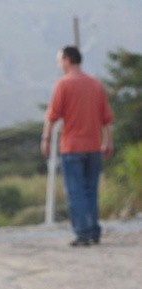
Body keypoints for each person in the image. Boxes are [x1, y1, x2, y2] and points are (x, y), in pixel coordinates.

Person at [41, 46, 113, 247]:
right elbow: (106, 118)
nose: (58, 64)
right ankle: (93, 231)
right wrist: (107, 141)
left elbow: (52, 116)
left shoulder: (63, 85)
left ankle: (82, 232)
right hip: (93, 146)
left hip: (72, 147)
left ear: (67, 59)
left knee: (76, 191)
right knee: (91, 190)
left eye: (59, 59)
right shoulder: (96, 84)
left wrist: (46, 140)